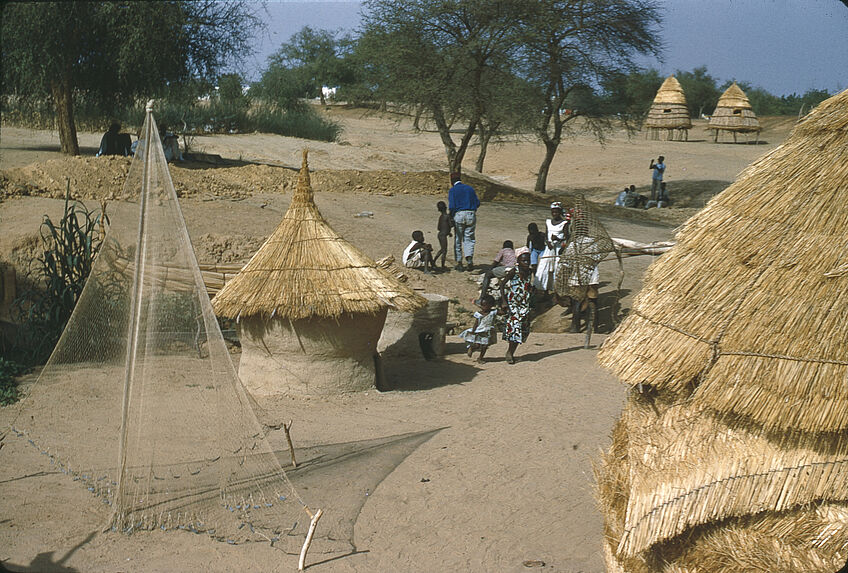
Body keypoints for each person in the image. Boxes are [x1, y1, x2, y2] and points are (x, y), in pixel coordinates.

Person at [500, 247, 534, 364]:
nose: (527, 263)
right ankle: (509, 353)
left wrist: (530, 291)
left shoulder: (529, 272)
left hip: (525, 305)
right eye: (524, 260)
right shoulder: (514, 271)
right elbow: (502, 285)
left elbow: (527, 285)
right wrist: (504, 301)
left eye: (528, 260)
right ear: (518, 261)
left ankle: (511, 352)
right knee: (515, 328)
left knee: (523, 330)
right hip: (513, 305)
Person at [447, 172, 480, 271]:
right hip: (471, 214)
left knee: (458, 239)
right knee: (469, 238)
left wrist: (451, 217)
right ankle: (469, 260)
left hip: (459, 215)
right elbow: (477, 203)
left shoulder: (453, 190)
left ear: (452, 181)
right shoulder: (470, 189)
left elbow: (452, 206)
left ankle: (459, 262)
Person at [534, 202, 568, 294]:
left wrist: (558, 239)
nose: (554, 214)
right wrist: (547, 242)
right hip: (549, 249)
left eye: (556, 212)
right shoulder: (548, 222)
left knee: (557, 269)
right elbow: (546, 235)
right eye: (553, 212)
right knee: (544, 268)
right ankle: (544, 290)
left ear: (560, 212)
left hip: (559, 250)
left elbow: (567, 238)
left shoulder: (564, 223)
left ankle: (557, 291)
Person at [459, 294, 498, 363]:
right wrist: (473, 331)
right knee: (477, 345)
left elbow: (503, 312)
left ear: (490, 305)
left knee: (485, 346)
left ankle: (480, 358)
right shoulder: (479, 314)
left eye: (484, 305)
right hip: (480, 331)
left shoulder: (493, 312)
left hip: (488, 332)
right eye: (482, 305)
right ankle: (472, 348)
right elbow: (476, 323)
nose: (482, 307)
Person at [433, 201, 452, 270]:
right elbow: (450, 225)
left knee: (442, 250)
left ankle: (434, 261)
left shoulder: (441, 217)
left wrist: (448, 232)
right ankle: (442, 265)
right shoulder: (447, 216)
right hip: (443, 235)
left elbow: (439, 227)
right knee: (444, 250)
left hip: (440, 234)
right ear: (446, 208)